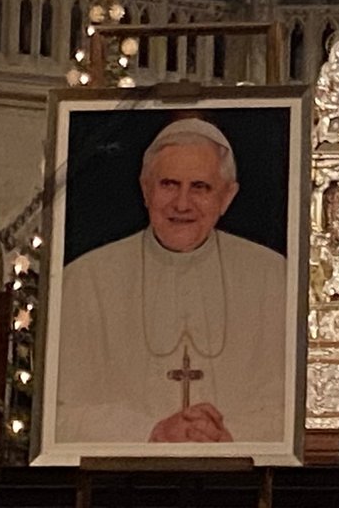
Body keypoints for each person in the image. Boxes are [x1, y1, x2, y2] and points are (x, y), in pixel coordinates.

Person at [54, 118, 290, 445]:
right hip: (123, 485)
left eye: (200, 187)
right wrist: (150, 433)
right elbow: (59, 415)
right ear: (145, 189)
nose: (182, 203)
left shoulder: (274, 277)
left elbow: (295, 407)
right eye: (168, 184)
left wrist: (229, 435)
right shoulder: (86, 279)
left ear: (227, 197)